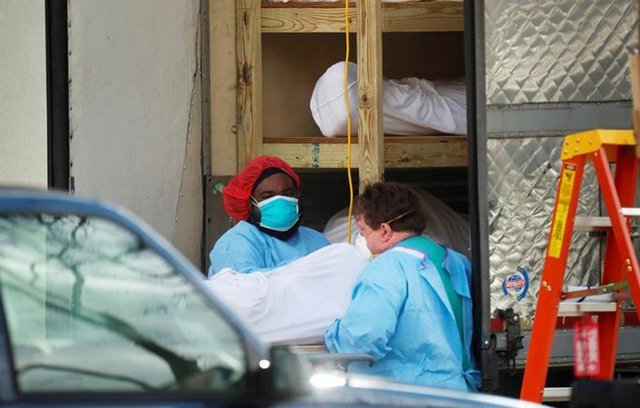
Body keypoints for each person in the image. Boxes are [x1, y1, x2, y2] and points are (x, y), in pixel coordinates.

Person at [324, 181, 480, 392]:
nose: (363, 240)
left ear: (385, 231)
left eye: (363, 232)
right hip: (458, 391)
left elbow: (361, 341)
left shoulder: (386, 267)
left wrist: (333, 332)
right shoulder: (456, 261)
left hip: (407, 395)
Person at [208, 155, 329, 277]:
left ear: (297, 195)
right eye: (267, 196)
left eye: (288, 194)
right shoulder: (236, 243)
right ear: (250, 203)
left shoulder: (317, 240)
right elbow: (241, 285)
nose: (280, 202)